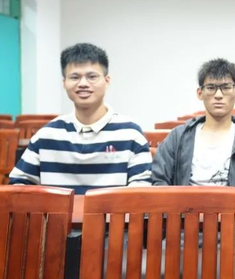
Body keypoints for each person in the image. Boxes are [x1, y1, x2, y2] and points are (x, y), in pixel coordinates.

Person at [9, 43, 152, 194]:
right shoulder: (47, 135)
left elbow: (140, 194)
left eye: (92, 77)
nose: (83, 84)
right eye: (75, 77)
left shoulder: (130, 134)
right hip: (57, 211)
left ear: (107, 81)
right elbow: (18, 186)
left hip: (112, 211)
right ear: (64, 83)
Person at [152, 58, 235, 195]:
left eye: (226, 88)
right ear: (200, 93)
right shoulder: (178, 137)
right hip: (185, 208)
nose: (218, 95)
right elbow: (158, 181)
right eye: (211, 88)